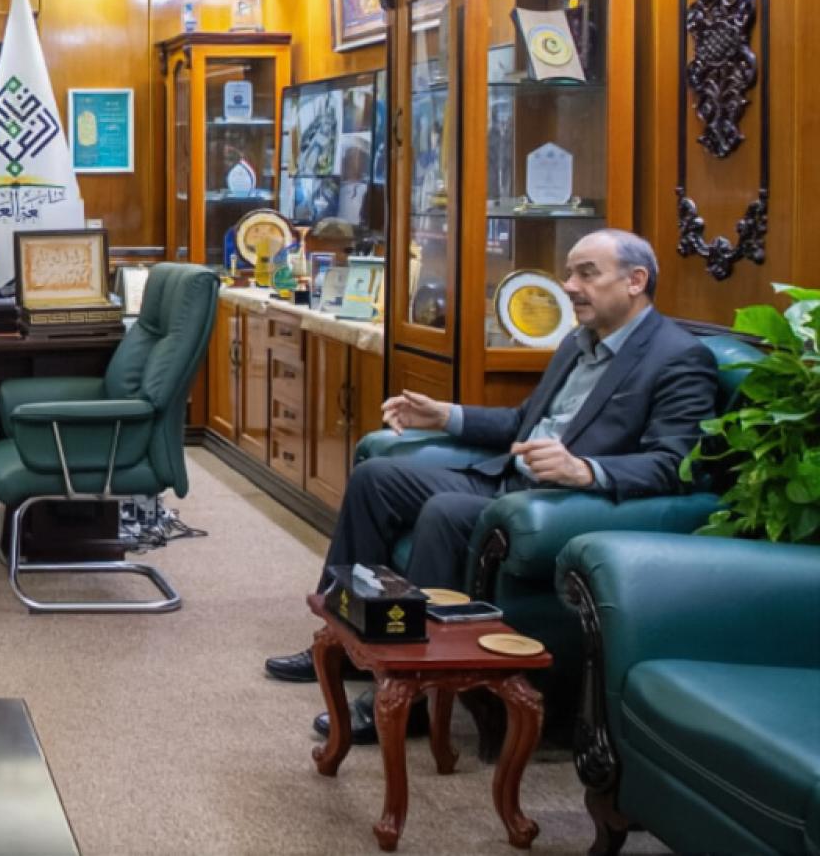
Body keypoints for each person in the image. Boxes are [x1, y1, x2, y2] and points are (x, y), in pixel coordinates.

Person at [263, 228, 717, 741]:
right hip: (508, 480)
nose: (569, 286)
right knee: (375, 478)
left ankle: (411, 695)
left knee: (445, 510)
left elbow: (677, 464)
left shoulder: (678, 357)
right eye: (569, 273)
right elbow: (524, 421)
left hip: (560, 502)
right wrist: (446, 416)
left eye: (587, 274)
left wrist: (585, 470)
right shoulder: (577, 342)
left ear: (636, 280)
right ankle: (342, 641)